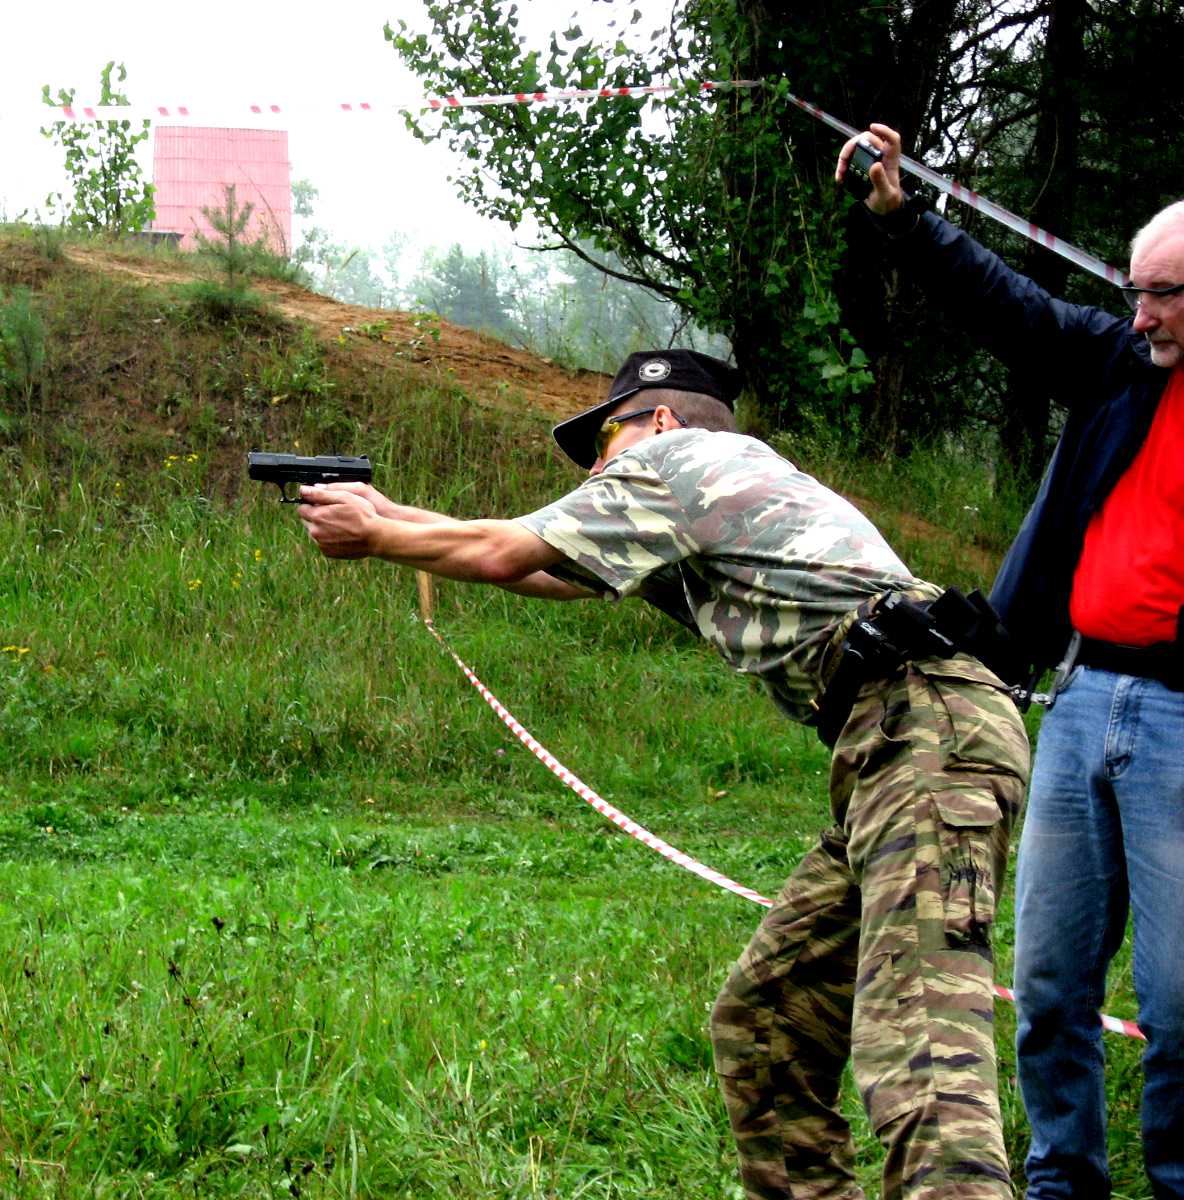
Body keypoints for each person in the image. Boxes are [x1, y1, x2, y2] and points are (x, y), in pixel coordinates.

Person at [296, 348, 1031, 1199]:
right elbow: (541, 565)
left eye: (603, 440)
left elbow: (502, 551)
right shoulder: (710, 500)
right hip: (899, 741)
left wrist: (378, 537)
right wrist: (392, 517)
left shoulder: (675, 463)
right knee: (769, 1024)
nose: (596, 468)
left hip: (924, 732)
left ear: (661, 420)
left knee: (922, 1053)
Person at [836, 124, 1184, 1200]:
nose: (1143, 314)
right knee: (1044, 984)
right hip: (1078, 697)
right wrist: (905, 220)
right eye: (1136, 291)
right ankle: (1059, 1182)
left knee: (1177, 1009)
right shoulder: (1117, 363)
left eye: (1165, 294)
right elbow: (1012, 310)